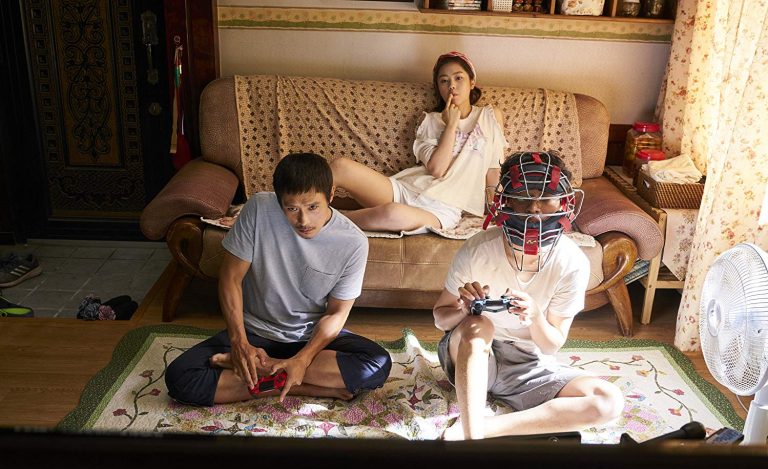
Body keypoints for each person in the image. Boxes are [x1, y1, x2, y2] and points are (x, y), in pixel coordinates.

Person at [165, 153, 392, 405]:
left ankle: (267, 372)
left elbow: (336, 314)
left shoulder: (354, 242)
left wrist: (303, 359)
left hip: (309, 338)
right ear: (278, 200)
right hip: (254, 334)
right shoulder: (258, 209)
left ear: (330, 195)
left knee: (377, 364)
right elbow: (230, 278)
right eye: (292, 209)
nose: (303, 221)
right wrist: (239, 343)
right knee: (180, 377)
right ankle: (302, 386)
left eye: (313, 207)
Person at [432, 151, 624, 440]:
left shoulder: (572, 262)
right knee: (479, 325)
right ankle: (472, 438)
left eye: (546, 198)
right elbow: (440, 319)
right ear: (505, 201)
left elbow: (551, 345)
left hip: (529, 364)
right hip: (472, 356)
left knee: (608, 401)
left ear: (564, 202)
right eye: (524, 197)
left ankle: (485, 428)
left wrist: (535, 317)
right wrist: (463, 310)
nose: (534, 209)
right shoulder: (477, 250)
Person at [331, 51, 507, 233]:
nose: (452, 86)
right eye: (444, 81)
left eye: (458, 78)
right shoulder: (429, 121)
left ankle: (328, 221)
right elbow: (437, 169)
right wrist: (451, 126)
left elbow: (494, 171)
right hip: (406, 190)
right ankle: (313, 208)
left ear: (472, 82)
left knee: (392, 213)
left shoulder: (490, 116)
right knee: (340, 166)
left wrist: (499, 210)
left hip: (441, 209)